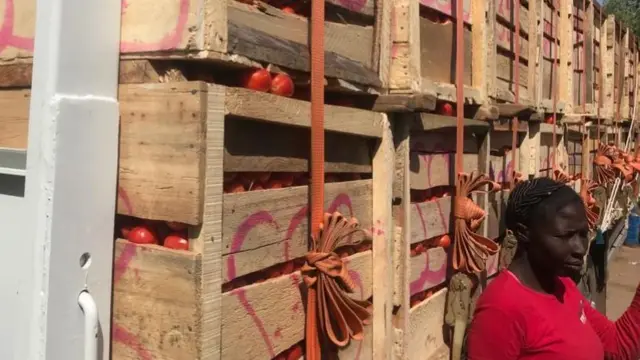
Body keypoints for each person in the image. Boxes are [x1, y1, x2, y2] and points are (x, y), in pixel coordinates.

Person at [466, 177, 640, 360]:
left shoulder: (564, 287)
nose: (580, 248)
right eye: (566, 236)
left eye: (583, 234)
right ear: (524, 232)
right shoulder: (501, 309)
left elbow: (618, 347)